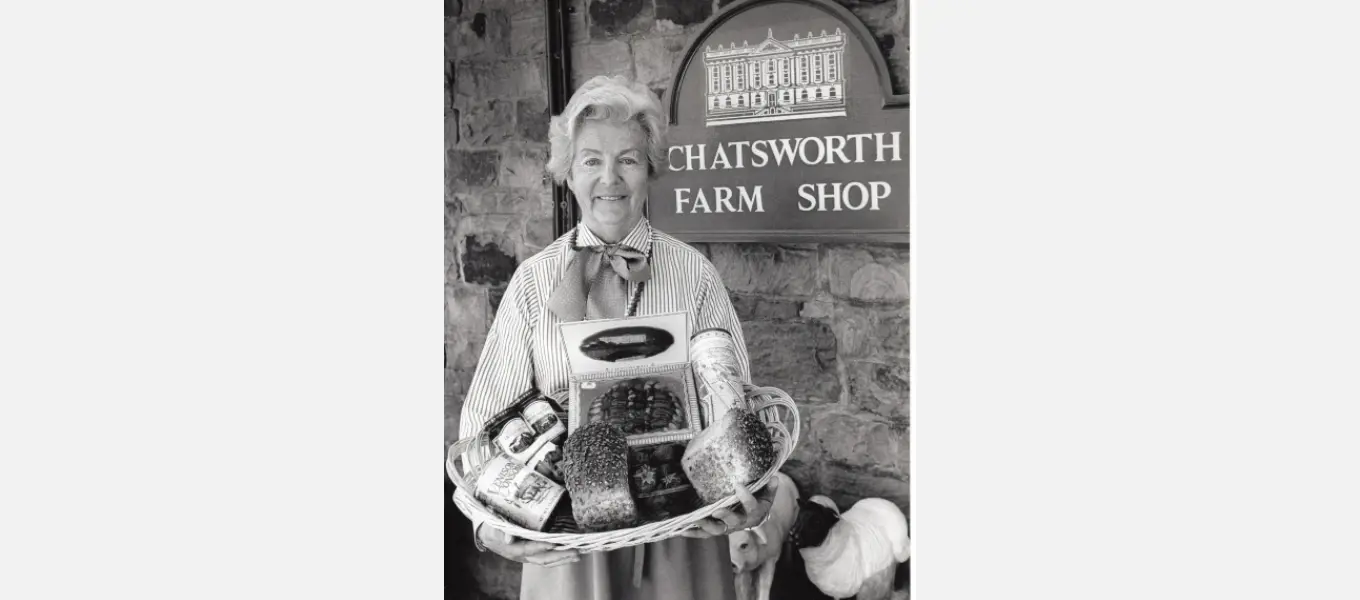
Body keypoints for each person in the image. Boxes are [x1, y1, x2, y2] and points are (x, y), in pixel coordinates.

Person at [455, 75, 777, 600]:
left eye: (627, 159)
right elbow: (480, 429)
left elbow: (743, 414)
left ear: (649, 168)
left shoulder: (694, 275)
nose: (610, 178)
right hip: (568, 547)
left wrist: (757, 500)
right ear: (567, 174)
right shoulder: (535, 282)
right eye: (590, 160)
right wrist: (486, 526)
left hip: (684, 535)